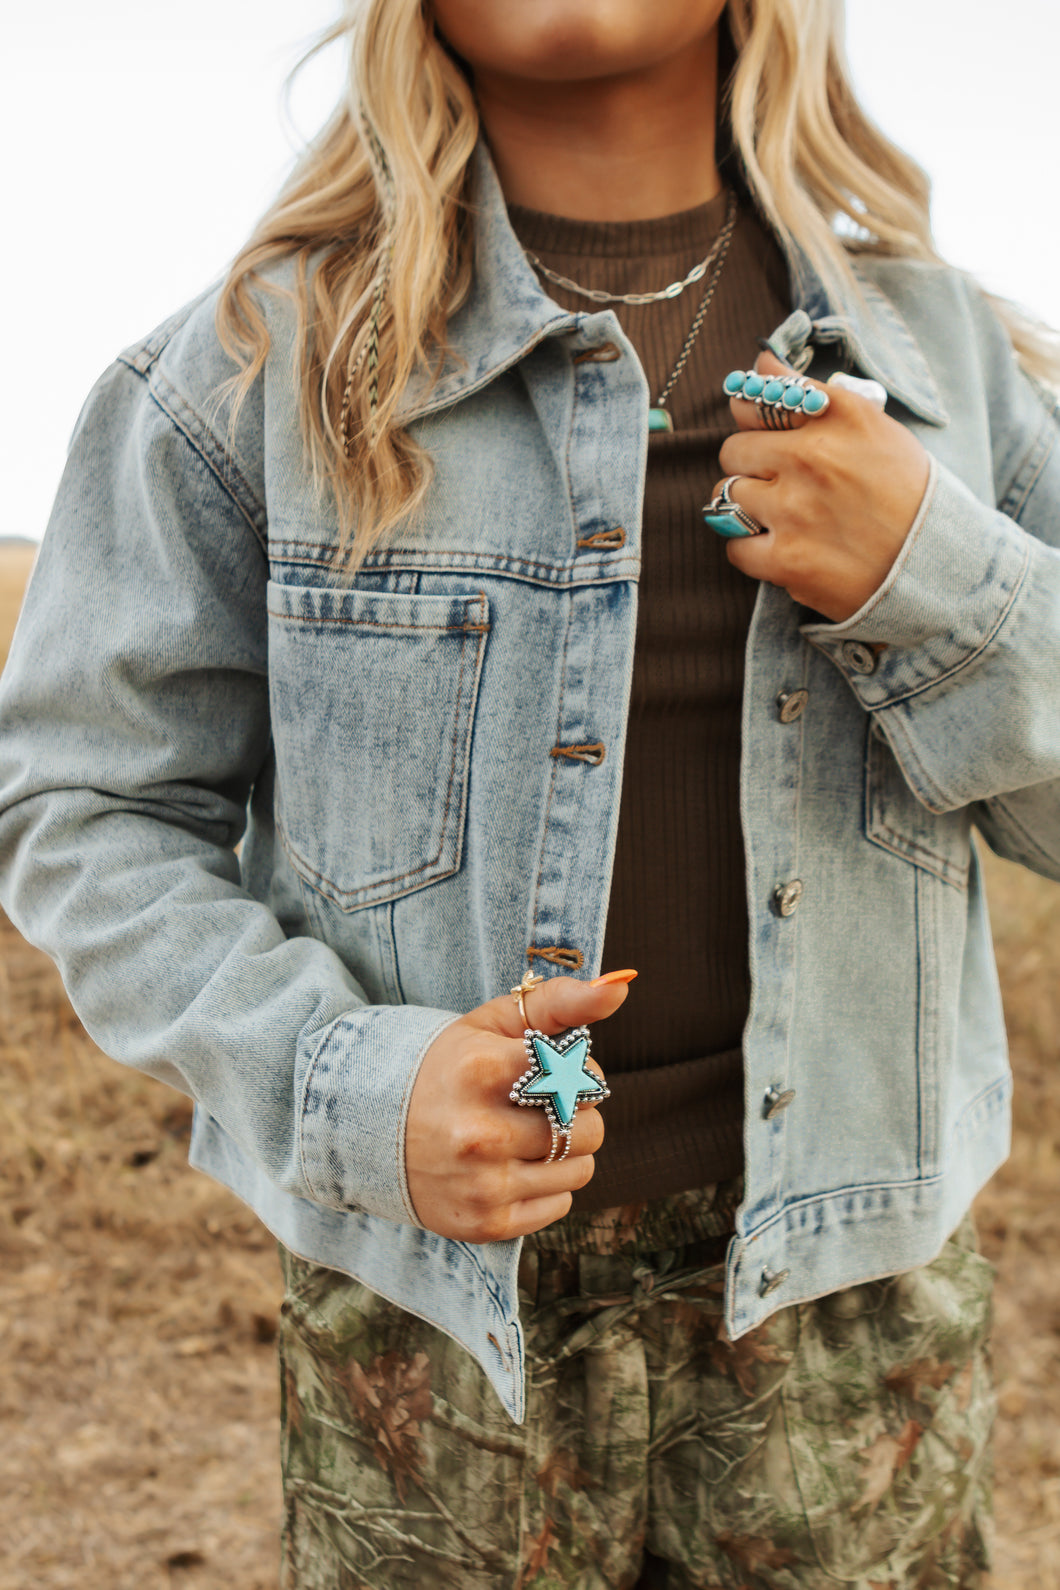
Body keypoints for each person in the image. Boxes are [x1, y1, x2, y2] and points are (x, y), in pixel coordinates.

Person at [2, 0, 1059, 1584]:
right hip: (426, 1341)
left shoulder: (942, 371)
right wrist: (348, 1083)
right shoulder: (239, 379)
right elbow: (84, 817)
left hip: (853, 1324)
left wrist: (934, 575)